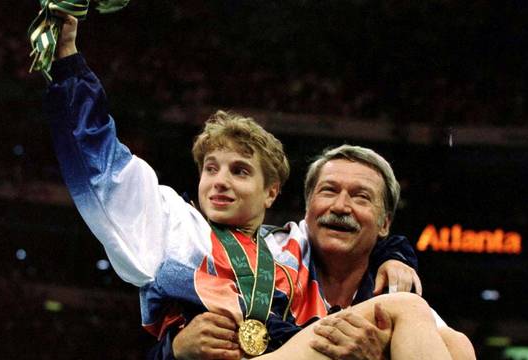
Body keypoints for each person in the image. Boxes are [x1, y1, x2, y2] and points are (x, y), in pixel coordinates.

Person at [44, 13, 435, 360]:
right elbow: (101, 165)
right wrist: (67, 58)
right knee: (409, 310)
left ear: (272, 192)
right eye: (211, 168)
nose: (221, 182)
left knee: (458, 345)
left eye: (240, 171)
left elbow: (349, 230)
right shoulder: (171, 227)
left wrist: (396, 254)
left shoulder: (294, 245)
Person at [163, 146, 476, 360]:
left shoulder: (393, 283)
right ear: (307, 207)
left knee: (459, 346)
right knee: (410, 307)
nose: (340, 207)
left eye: (361, 197)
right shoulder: (266, 253)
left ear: (385, 224)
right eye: (328, 191)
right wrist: (174, 349)